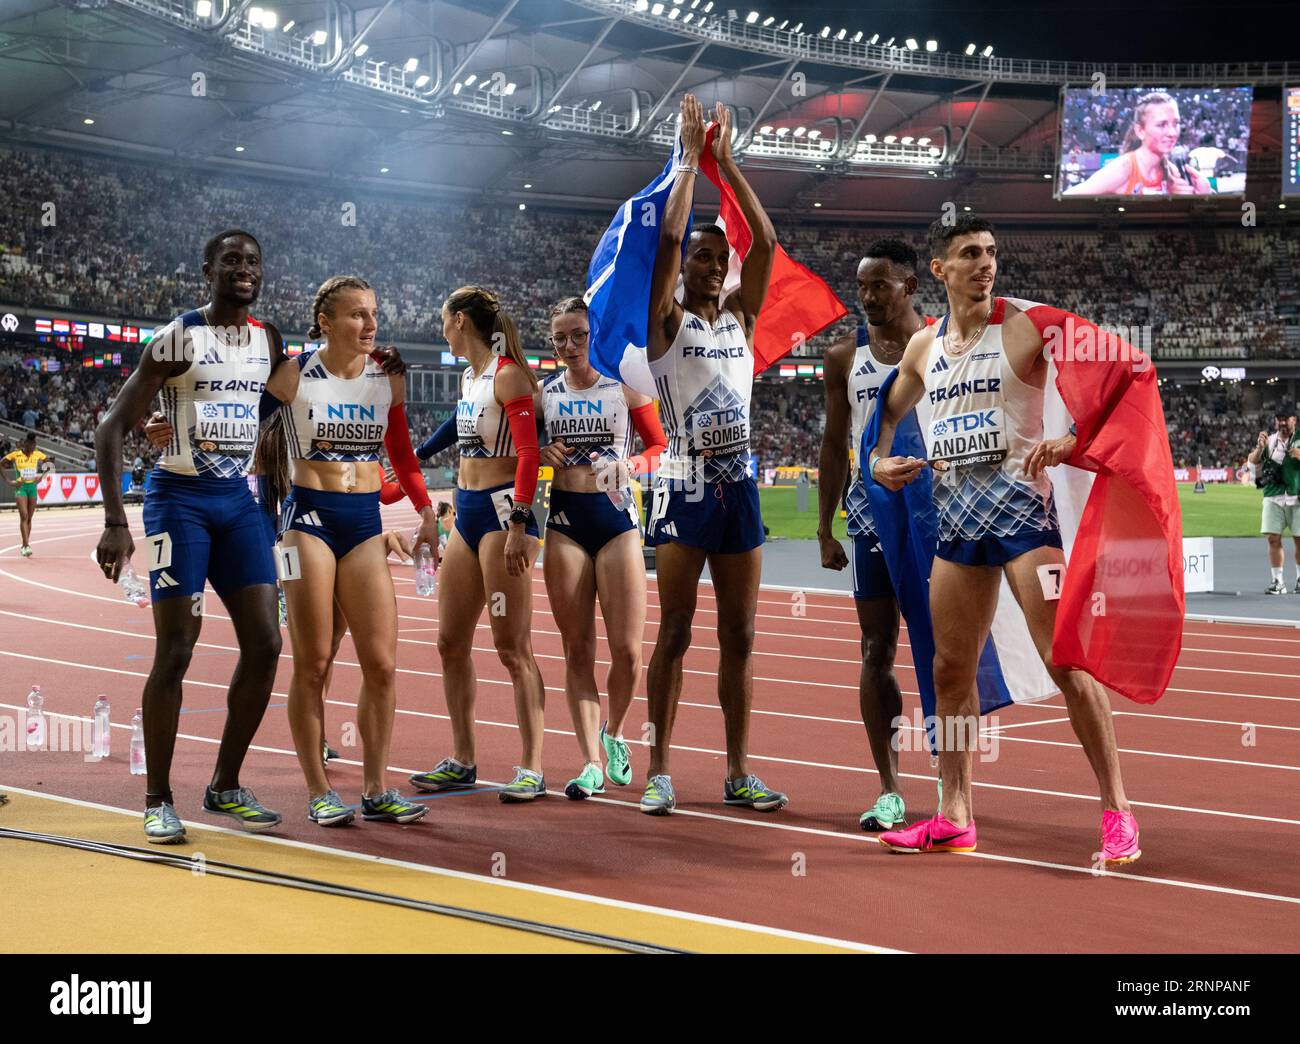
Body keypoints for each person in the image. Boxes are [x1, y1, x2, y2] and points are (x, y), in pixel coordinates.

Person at [869, 213, 1140, 866]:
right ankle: (954, 814)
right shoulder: (923, 348)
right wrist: (878, 460)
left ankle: (1118, 811)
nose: (986, 263)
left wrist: (1075, 439)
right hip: (958, 529)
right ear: (940, 270)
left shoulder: (1027, 324)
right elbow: (889, 407)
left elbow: (1123, 373)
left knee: (1065, 661)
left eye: (991, 252)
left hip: (1023, 525)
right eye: (970, 253)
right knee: (949, 672)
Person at [93, 229, 287, 844]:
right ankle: (158, 798)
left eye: (253, 261)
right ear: (208, 270)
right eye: (231, 260)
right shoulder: (179, 337)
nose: (244, 269)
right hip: (175, 503)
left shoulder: (269, 339)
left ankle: (225, 785)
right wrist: (115, 522)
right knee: (177, 649)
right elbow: (109, 428)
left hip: (238, 504)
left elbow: (264, 411)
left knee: (266, 643)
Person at [639, 95, 787, 816]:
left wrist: (729, 163)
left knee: (743, 632)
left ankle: (736, 769)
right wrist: (691, 164)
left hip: (741, 488)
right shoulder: (664, 321)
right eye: (702, 254)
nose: (710, 262)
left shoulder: (742, 319)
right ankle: (660, 767)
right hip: (684, 484)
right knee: (676, 630)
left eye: (716, 257)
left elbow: (765, 241)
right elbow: (667, 240)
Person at [262, 275, 438, 826]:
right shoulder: (293, 373)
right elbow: (246, 428)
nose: (370, 323)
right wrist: (172, 429)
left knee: (382, 664)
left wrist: (428, 513)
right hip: (307, 522)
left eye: (373, 312)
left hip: (364, 522)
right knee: (312, 663)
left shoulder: (386, 379)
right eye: (357, 314)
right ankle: (318, 788)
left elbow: (403, 455)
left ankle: (376, 788)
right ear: (326, 323)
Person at [408, 286, 548, 802]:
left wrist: (518, 523)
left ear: (460, 321)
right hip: (464, 514)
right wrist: (417, 454)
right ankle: (463, 759)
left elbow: (530, 455)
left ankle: (531, 767)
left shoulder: (510, 373)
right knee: (449, 642)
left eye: (443, 321)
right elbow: (457, 425)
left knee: (513, 648)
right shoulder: (472, 376)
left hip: (500, 515)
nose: (440, 329)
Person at [817, 241, 928, 831]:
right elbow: (835, 444)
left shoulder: (944, 346)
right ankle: (889, 787)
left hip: (940, 513)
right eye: (861, 286)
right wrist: (823, 525)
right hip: (869, 514)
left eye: (879, 284)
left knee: (945, 653)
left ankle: (952, 776)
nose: (867, 296)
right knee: (876, 649)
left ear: (909, 285)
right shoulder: (844, 357)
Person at [537, 296, 666, 799]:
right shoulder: (545, 395)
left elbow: (662, 450)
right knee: (577, 650)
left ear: (595, 337)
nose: (569, 346)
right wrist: (545, 456)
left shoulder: (624, 389)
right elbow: (530, 460)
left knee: (629, 652)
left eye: (579, 336)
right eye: (560, 338)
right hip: (567, 522)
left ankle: (613, 733)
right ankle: (589, 759)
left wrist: (634, 466)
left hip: (617, 523)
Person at [1064, 91, 1211, 197]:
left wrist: (1203, 194)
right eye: (1161, 125)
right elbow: (1068, 196)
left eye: (1176, 123)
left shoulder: (1172, 172)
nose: (1172, 133)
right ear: (1140, 131)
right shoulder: (1124, 168)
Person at [1247, 413, 1300, 594]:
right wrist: (1260, 448)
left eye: (1287, 419)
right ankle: (1278, 581)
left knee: (1299, 540)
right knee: (1272, 538)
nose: (1283, 423)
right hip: (1273, 495)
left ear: (1294, 421)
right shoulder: (1268, 441)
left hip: (1297, 496)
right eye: (1280, 419)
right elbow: (1252, 461)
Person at [2, 432, 50, 556]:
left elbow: (49, 464)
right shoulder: (15, 455)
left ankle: (25, 543)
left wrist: (41, 477)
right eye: (32, 445)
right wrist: (9, 481)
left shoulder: (37, 454)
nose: (34, 448)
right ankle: (26, 545)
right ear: (26, 444)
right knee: (24, 515)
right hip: (21, 487)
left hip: (32, 487)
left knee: (29, 518)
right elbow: (0, 464)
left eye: (35, 445)